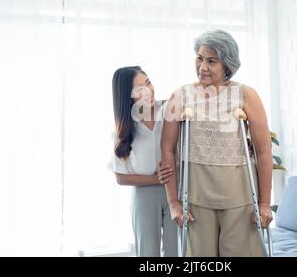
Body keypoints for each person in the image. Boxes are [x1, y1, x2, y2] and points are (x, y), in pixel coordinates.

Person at [159, 30, 273, 257]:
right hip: (197, 199)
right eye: (199, 58)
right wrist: (173, 203)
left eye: (211, 61)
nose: (202, 67)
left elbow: (263, 151)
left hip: (240, 198)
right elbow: (167, 149)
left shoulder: (246, 95)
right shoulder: (180, 96)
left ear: (227, 64)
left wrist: (264, 204)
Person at [110, 65, 177, 257]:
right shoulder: (123, 131)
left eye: (148, 83)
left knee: (177, 251)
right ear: (128, 96)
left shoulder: (170, 113)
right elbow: (121, 178)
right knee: (148, 253)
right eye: (139, 89)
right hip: (144, 196)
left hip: (175, 192)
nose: (148, 91)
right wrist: (158, 179)